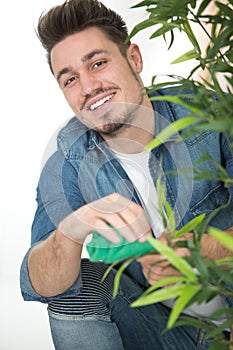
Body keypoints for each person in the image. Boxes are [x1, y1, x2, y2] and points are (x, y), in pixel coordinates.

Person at [20, 0, 233, 349]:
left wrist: (198, 250)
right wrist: (73, 228)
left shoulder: (209, 116)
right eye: (71, 79)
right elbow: (39, 281)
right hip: (165, 331)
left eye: (98, 63)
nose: (88, 87)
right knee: (75, 288)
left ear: (134, 58)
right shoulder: (68, 161)